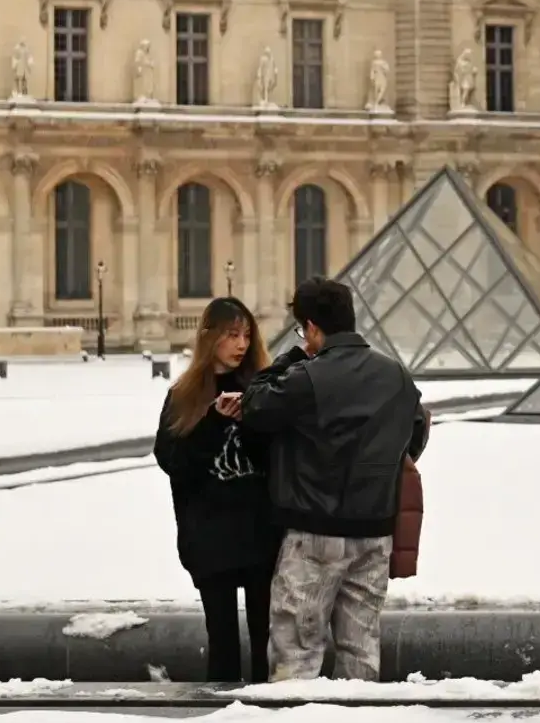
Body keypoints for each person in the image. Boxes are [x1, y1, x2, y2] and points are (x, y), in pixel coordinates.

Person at [240, 277, 430, 681]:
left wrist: (288, 358)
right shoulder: (394, 374)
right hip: (376, 533)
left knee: (297, 652)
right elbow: (416, 430)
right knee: (361, 651)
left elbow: (256, 404)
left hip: (314, 532)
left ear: (311, 327)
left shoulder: (308, 376)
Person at [152, 297, 281, 684]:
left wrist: (255, 421)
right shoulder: (185, 395)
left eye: (246, 335)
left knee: (267, 640)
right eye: (231, 335)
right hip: (211, 538)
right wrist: (211, 422)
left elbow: (278, 458)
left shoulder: (265, 387)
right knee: (222, 640)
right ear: (210, 338)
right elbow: (174, 462)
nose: (241, 344)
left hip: (261, 535)